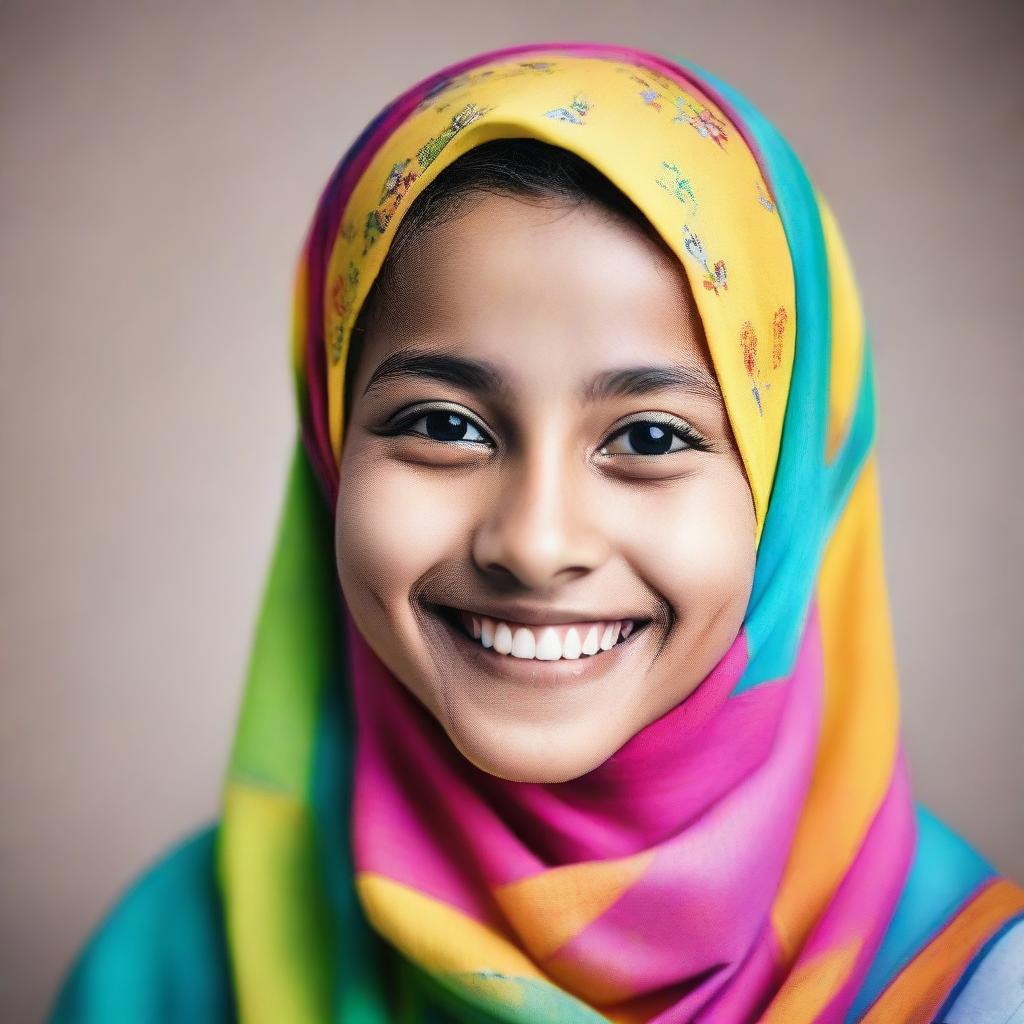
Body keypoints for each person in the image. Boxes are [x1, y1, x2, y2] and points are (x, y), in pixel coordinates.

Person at [49, 42, 1024, 1023]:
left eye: (647, 436)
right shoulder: (169, 972)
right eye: (443, 425)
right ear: (330, 444)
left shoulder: (967, 987)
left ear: (790, 494)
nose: (534, 540)